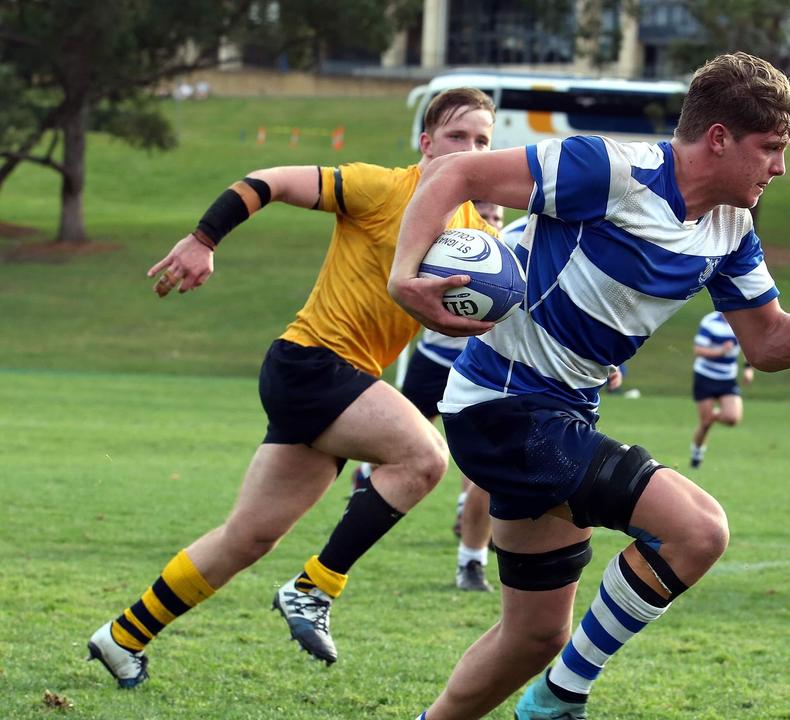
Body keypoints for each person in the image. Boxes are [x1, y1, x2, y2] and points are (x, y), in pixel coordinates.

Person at [388, 51, 790, 720]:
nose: (779, 166)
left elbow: (768, 342)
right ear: (719, 138)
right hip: (504, 410)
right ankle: (561, 699)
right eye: (770, 148)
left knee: (535, 635)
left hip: (559, 419)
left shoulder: (730, 230)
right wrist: (403, 275)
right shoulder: (608, 170)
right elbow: (454, 170)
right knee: (699, 531)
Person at [86, 88, 498, 687]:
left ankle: (122, 636)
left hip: (338, 384)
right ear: (426, 142)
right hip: (312, 365)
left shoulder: (468, 230)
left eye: (483, 140)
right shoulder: (379, 188)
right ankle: (314, 589)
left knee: (247, 537)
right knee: (424, 458)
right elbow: (270, 179)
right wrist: (203, 240)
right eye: (458, 136)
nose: (471, 149)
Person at [352, 202, 512, 593]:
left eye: (496, 218)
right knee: (407, 439)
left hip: (478, 367)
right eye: (485, 216)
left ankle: (468, 538)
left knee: (484, 452)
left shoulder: (507, 255)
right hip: (433, 360)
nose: (491, 223)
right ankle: (369, 477)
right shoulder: (445, 249)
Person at [689, 310, 754, 468]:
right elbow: (698, 350)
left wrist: (748, 368)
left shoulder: (741, 321)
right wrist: (720, 351)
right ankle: (697, 453)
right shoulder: (710, 322)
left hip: (727, 378)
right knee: (705, 424)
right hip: (705, 377)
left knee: (732, 418)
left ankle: (715, 413)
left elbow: (749, 345)